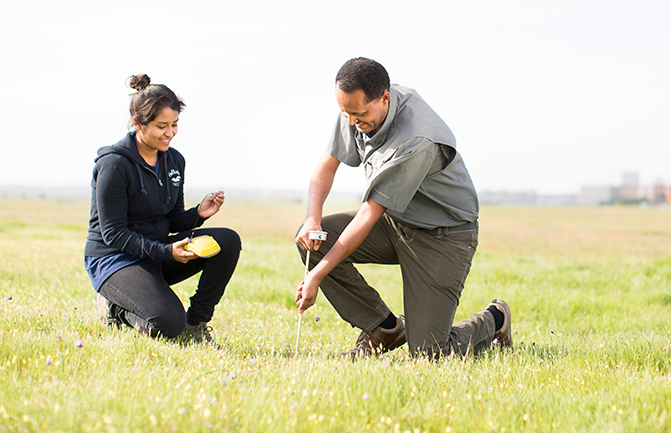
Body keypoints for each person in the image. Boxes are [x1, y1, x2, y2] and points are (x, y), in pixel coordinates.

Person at [294, 57, 512, 358]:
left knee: (429, 353)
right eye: (345, 113)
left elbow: (369, 214)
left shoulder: (415, 138)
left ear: (384, 98)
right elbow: (326, 165)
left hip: (443, 235)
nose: (350, 123)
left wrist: (315, 277)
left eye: (357, 114)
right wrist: (311, 219)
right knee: (315, 242)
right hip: (398, 222)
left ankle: (496, 319)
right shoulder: (355, 106)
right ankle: (384, 327)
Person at [84, 74, 241, 343]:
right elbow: (113, 234)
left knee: (227, 240)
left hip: (156, 252)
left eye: (175, 124)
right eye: (161, 126)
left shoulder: (174, 161)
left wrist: (198, 214)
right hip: (115, 260)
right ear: (138, 123)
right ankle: (115, 308)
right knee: (167, 325)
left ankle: (196, 324)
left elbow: (170, 219)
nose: (170, 133)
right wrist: (165, 251)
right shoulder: (114, 165)